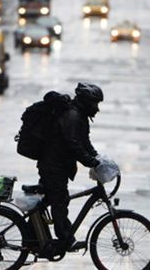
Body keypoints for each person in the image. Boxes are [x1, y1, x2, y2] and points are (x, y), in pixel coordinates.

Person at [38, 82, 104, 253]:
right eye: (95, 103)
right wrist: (89, 161)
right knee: (59, 202)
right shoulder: (73, 116)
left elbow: (85, 142)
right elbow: (73, 144)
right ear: (85, 102)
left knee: (52, 200)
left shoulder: (80, 116)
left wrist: (97, 158)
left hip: (57, 166)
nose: (97, 109)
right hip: (53, 167)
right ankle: (65, 240)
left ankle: (41, 237)